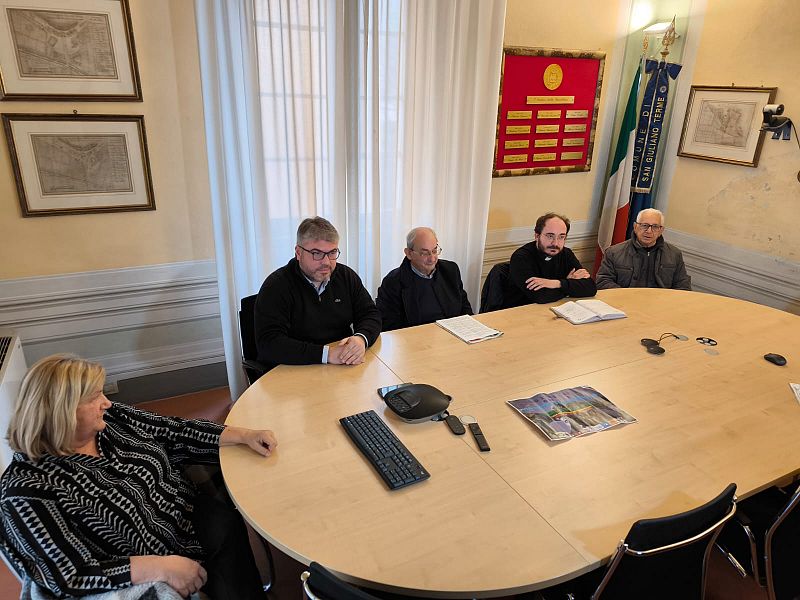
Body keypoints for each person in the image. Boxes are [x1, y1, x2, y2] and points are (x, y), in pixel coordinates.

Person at [0, 354, 277, 600]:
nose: (106, 403)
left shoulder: (110, 421)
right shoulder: (26, 491)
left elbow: (172, 431)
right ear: (63, 411)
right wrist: (161, 567)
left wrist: (243, 435)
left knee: (232, 533)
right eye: (94, 397)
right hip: (148, 563)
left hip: (190, 517)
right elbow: (69, 574)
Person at [254, 217, 381, 368]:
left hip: (341, 365)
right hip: (293, 369)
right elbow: (269, 343)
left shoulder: (345, 276)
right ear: (298, 253)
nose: (326, 262)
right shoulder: (276, 286)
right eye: (317, 253)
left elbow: (370, 314)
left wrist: (361, 339)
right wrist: (327, 354)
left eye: (332, 252)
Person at [376, 227, 473, 331]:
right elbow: (389, 327)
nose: (432, 258)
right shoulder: (393, 282)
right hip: (416, 338)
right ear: (409, 253)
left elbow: (464, 309)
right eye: (425, 253)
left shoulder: (450, 270)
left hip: (454, 334)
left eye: (434, 251)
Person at [506, 212, 597, 306]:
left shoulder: (566, 254)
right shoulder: (521, 257)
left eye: (561, 237)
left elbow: (590, 288)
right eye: (550, 236)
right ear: (537, 236)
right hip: (521, 310)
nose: (555, 243)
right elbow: (541, 297)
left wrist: (556, 283)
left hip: (556, 307)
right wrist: (569, 283)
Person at [596, 208, 691, 290]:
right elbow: (603, 281)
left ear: (661, 230)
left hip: (661, 302)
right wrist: (627, 297)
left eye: (655, 227)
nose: (649, 231)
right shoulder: (614, 252)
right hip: (626, 301)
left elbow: (683, 285)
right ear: (635, 227)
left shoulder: (674, 254)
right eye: (644, 225)